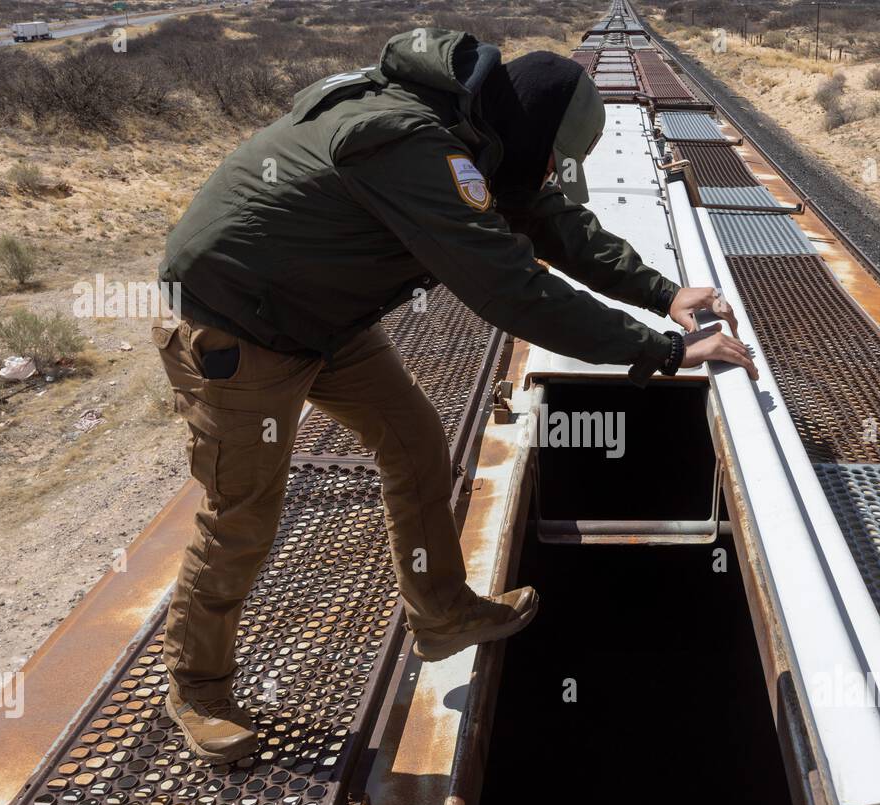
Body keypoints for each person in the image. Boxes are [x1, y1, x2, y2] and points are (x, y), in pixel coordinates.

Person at [152, 28, 757, 763]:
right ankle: (199, 689)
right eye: (546, 162)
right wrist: (662, 353)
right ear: (530, 133)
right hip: (237, 324)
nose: (541, 177)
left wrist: (662, 293)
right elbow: (511, 287)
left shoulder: (477, 131)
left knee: (413, 441)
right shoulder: (413, 145)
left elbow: (545, 219)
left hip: (322, 317)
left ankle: (439, 610)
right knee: (243, 516)